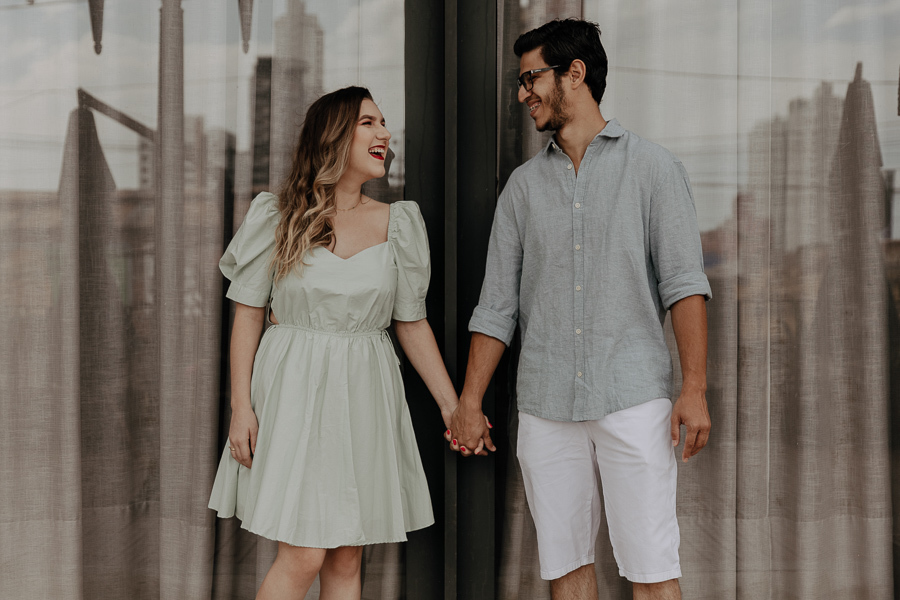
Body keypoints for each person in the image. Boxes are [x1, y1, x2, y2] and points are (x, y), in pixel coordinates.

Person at [449, 19, 712, 600]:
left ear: (575, 73)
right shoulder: (521, 189)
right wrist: (469, 401)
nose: (523, 95)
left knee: (651, 569)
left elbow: (684, 285)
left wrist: (693, 386)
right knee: (566, 568)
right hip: (545, 404)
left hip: (632, 398)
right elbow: (496, 305)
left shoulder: (653, 169)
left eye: (529, 78)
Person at [208, 86, 459, 600]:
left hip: (366, 388)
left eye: (383, 122)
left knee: (346, 555)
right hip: (295, 386)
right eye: (369, 122)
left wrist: (452, 407)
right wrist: (241, 407)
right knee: (303, 552)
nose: (384, 133)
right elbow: (248, 314)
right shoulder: (277, 216)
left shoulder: (399, 224)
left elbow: (411, 323)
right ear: (334, 136)